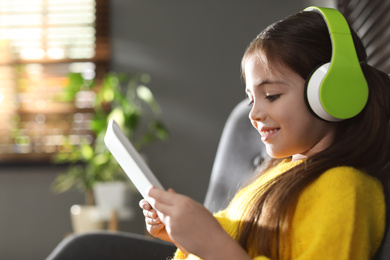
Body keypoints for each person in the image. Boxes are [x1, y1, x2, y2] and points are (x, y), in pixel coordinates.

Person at [139, 6, 390, 260]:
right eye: (251, 100)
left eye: (271, 96)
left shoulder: (342, 190)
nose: (254, 114)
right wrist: (184, 234)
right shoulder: (274, 174)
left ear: (333, 94)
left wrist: (212, 245)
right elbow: (243, 238)